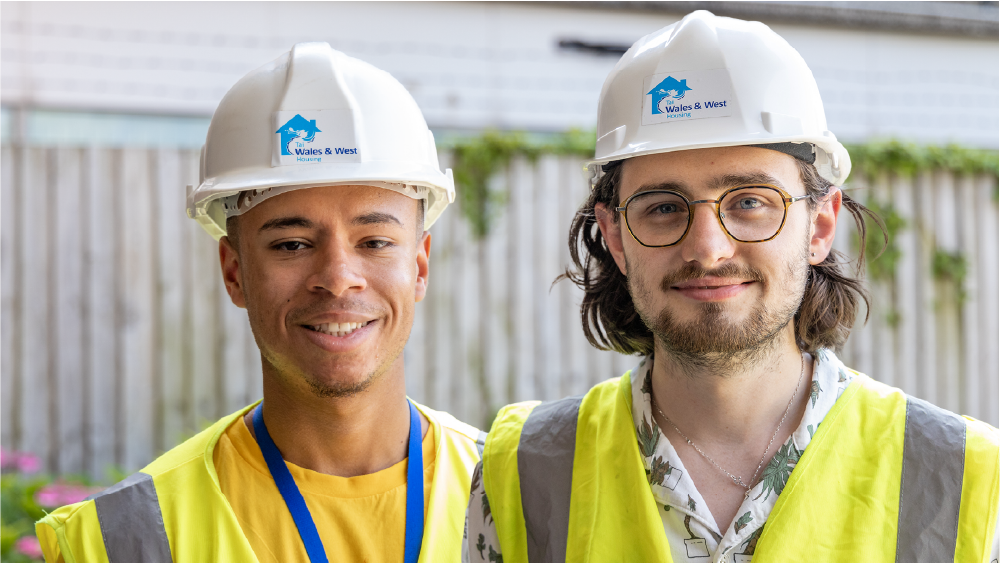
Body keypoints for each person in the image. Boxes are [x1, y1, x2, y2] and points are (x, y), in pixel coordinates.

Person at [465, 11, 1000, 563]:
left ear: (819, 227)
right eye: (664, 208)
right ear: (617, 238)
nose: (708, 248)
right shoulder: (525, 470)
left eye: (749, 202)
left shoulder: (964, 477)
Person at [37, 42, 484, 563]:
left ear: (420, 265)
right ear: (235, 272)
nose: (338, 281)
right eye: (291, 244)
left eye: (374, 242)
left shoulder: (518, 493)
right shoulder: (116, 541)